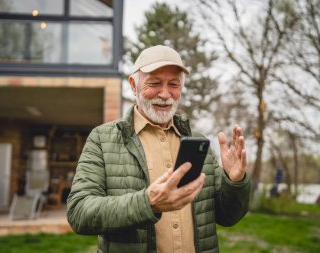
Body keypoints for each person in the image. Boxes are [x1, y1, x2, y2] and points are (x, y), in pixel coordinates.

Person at [67, 45, 251, 253]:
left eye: (173, 84)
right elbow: (79, 213)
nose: (165, 94)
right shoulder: (102, 139)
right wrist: (148, 203)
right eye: (154, 83)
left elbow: (227, 217)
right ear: (133, 86)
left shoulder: (196, 141)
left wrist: (235, 181)